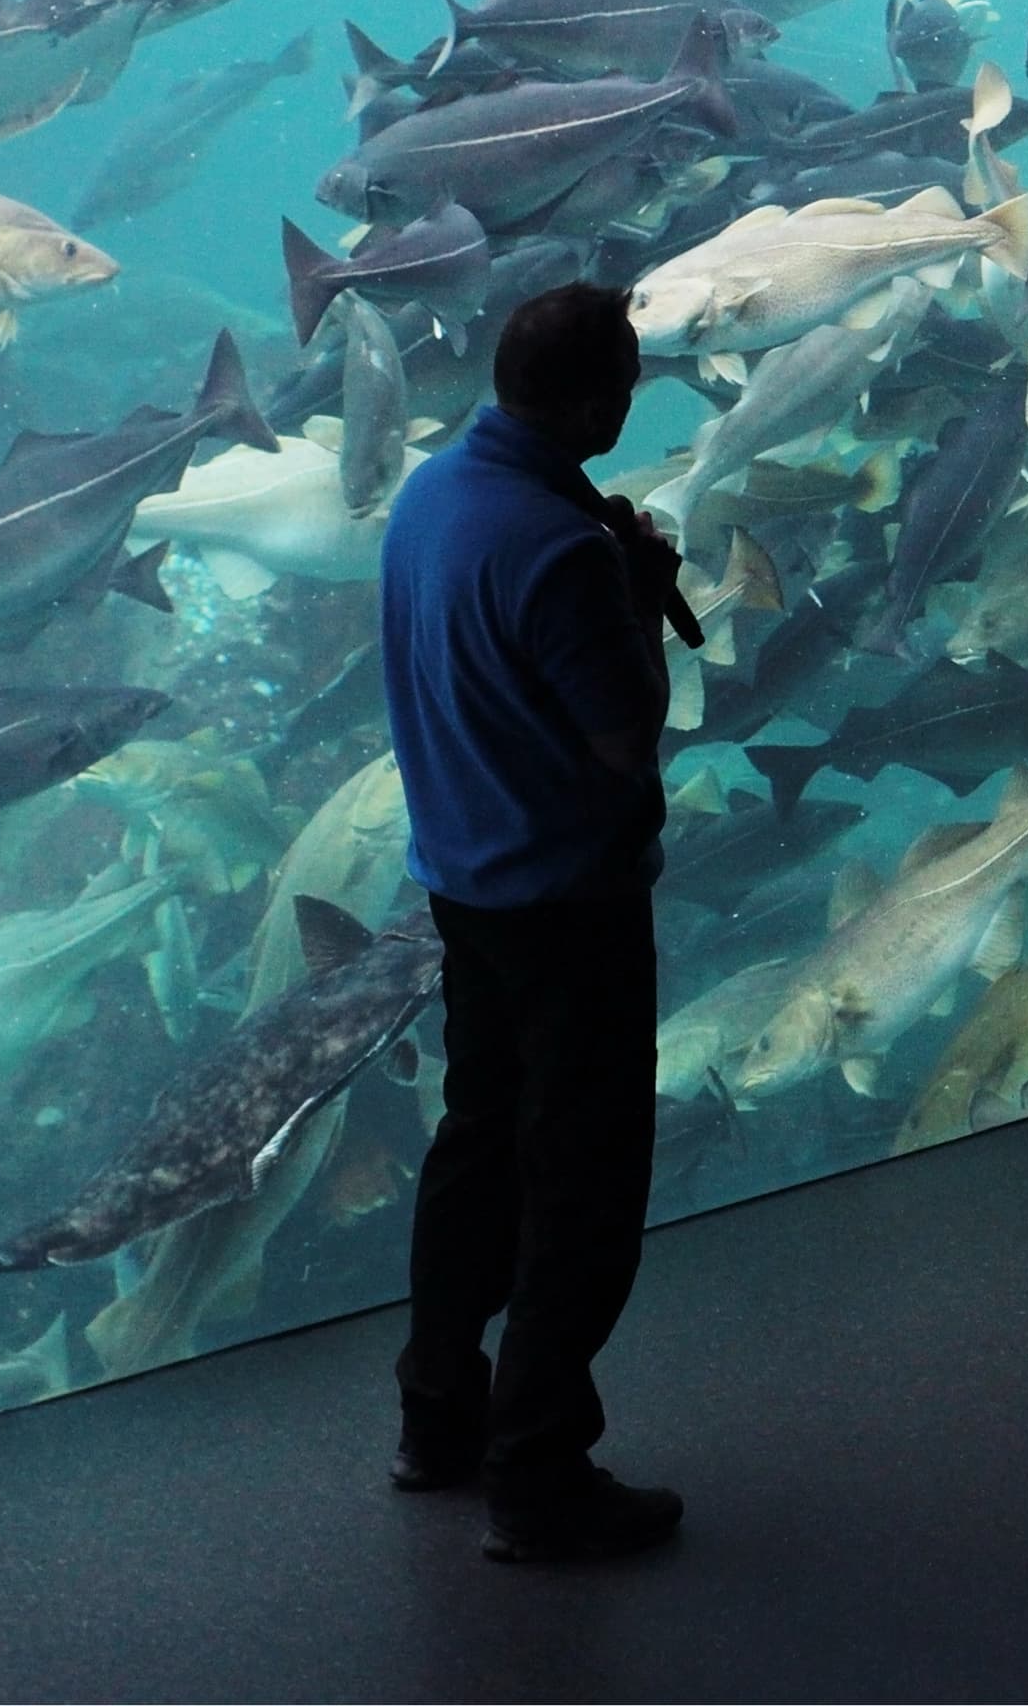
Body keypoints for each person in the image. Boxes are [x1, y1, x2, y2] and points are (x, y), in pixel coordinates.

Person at [379, 281, 689, 1564]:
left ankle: (436, 1414)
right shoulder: (561, 550)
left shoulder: (430, 496)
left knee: (480, 1152)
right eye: (622, 383)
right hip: (565, 900)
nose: (630, 402)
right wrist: (640, 592)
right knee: (583, 1185)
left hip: (463, 882)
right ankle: (539, 1471)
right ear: (588, 395)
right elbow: (626, 738)